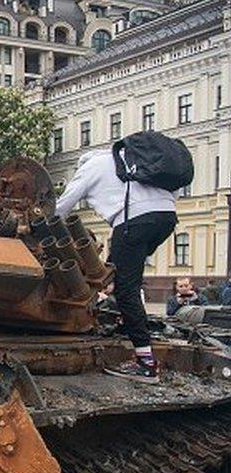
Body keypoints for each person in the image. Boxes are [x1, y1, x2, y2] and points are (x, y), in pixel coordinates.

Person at [56, 147, 177, 382]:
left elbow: (62, 207)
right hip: (166, 217)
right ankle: (126, 319)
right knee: (122, 272)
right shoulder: (128, 159)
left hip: (133, 220)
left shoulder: (90, 167)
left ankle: (145, 363)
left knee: (126, 289)